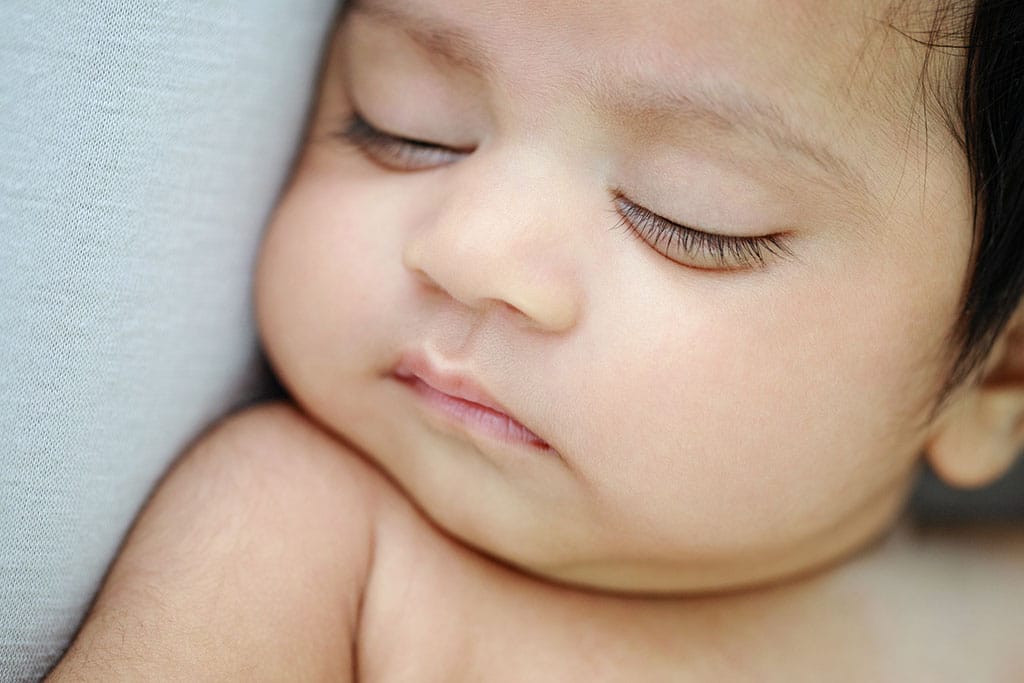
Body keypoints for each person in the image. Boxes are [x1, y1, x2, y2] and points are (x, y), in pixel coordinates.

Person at [48, 0, 1024, 679]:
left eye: (687, 219)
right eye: (403, 124)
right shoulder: (304, 545)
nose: (470, 254)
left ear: (998, 372)